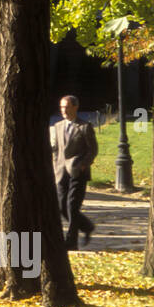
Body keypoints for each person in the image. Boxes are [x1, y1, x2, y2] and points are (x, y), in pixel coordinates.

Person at [51, 94, 98, 250]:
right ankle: (87, 226)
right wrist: (55, 164)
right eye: (61, 107)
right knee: (61, 206)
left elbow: (93, 149)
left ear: (75, 107)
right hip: (61, 171)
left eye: (66, 107)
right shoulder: (58, 126)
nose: (63, 110)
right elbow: (57, 149)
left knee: (72, 205)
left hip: (78, 172)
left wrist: (84, 164)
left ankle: (71, 242)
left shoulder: (84, 127)